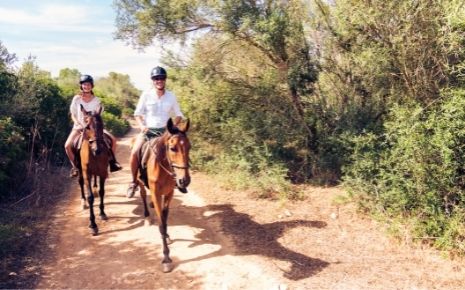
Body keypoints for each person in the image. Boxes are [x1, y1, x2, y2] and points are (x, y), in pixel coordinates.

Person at [127, 66, 184, 197]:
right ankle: (133, 181)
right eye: (156, 78)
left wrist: (173, 127)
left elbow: (179, 114)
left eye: (162, 78)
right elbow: (137, 114)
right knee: (135, 152)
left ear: (165, 80)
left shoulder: (171, 96)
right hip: (148, 131)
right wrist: (141, 126)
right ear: (153, 80)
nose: (159, 80)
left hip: (165, 133)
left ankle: (177, 180)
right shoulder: (146, 95)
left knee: (179, 151)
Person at [64, 74, 122, 177]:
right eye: (84, 84)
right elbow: (73, 114)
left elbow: (97, 116)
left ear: (92, 86)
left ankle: (112, 162)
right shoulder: (76, 99)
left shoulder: (97, 100)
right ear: (81, 86)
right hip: (79, 127)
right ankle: (75, 167)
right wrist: (77, 122)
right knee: (67, 146)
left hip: (94, 128)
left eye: (89, 84)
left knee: (113, 140)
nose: (87, 86)